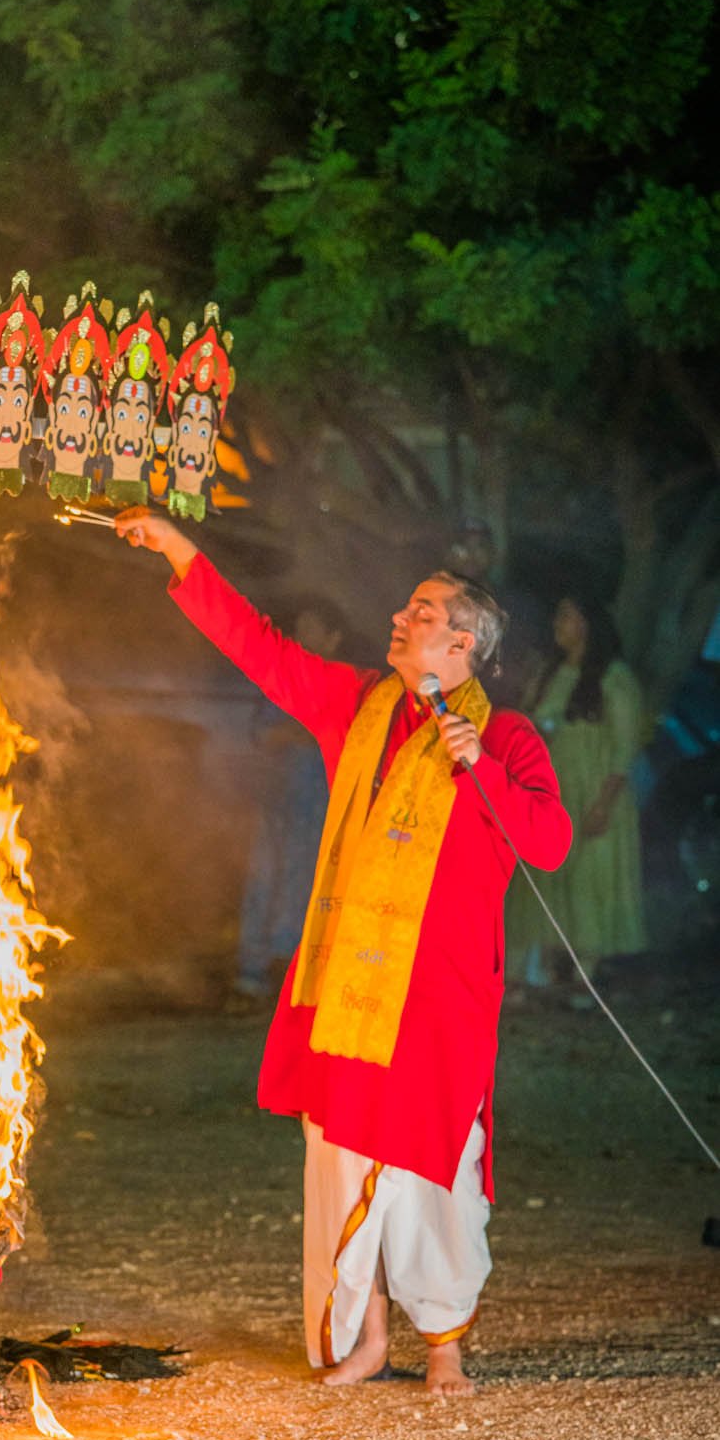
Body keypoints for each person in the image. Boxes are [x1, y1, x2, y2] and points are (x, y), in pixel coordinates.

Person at [115, 507, 572, 1392]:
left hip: (440, 1000)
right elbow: (263, 650)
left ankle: (445, 1349)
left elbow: (547, 843)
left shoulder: (508, 739)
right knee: (345, 1156)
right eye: (408, 608)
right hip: (351, 986)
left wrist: (480, 766)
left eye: (424, 612)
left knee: (438, 1166)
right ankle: (366, 1339)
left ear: (465, 644)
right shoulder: (359, 705)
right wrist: (181, 554)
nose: (402, 619)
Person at [507, 589, 646, 995]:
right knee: (546, 878)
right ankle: (535, 970)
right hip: (553, 791)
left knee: (590, 881)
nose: (557, 625)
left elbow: (624, 748)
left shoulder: (614, 680)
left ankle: (586, 976)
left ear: (587, 624)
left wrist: (603, 803)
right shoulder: (549, 674)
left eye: (565, 616)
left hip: (593, 790)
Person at [232, 598, 347, 1008]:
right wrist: (300, 731)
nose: (302, 634)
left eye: (312, 627)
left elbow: (331, 734)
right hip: (276, 797)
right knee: (264, 876)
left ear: (332, 639)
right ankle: (254, 968)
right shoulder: (280, 677)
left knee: (304, 881)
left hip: (316, 801)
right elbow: (265, 734)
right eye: (300, 625)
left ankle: (290, 967)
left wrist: (301, 732)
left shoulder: (339, 682)